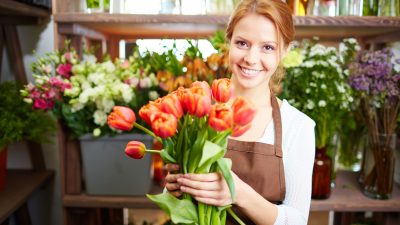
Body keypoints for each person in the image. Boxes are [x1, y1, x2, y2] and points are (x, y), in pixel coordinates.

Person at [164, 0, 316, 224]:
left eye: (268, 47)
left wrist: (238, 193)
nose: (251, 58)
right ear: (229, 41)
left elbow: (297, 220)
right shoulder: (196, 112)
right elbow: (176, 207)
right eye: (242, 43)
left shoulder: (297, 126)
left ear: (285, 50)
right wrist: (176, 188)